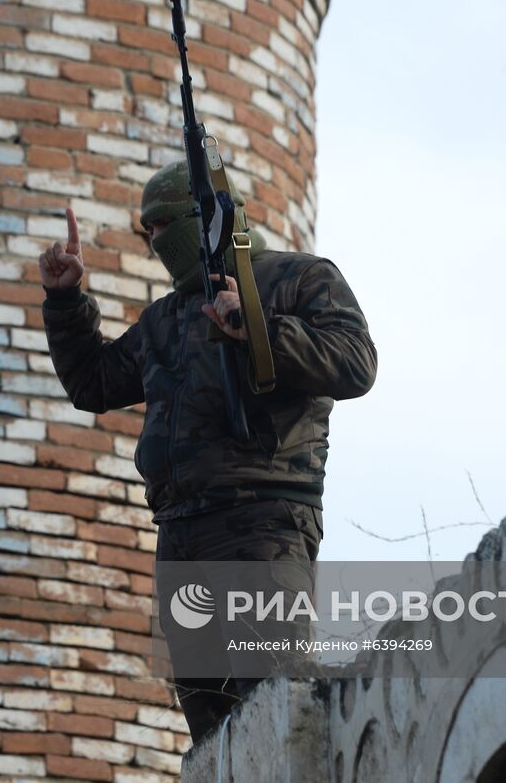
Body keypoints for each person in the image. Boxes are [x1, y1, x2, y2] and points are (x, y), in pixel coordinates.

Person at [38, 160, 377, 744]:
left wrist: (258, 327)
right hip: (181, 534)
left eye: (162, 227)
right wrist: (66, 301)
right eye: (149, 235)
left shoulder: (296, 278)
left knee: (278, 707)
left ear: (201, 217)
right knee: (212, 735)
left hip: (260, 524)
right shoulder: (165, 319)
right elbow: (92, 383)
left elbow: (355, 362)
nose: (156, 245)